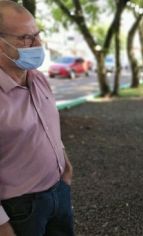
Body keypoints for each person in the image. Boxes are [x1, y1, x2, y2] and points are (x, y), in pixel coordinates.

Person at [0, 1, 74, 235]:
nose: (38, 45)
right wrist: (1, 225)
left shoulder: (38, 78)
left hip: (58, 192)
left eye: (38, 35)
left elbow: (48, 123)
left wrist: (64, 160)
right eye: (26, 38)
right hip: (19, 209)